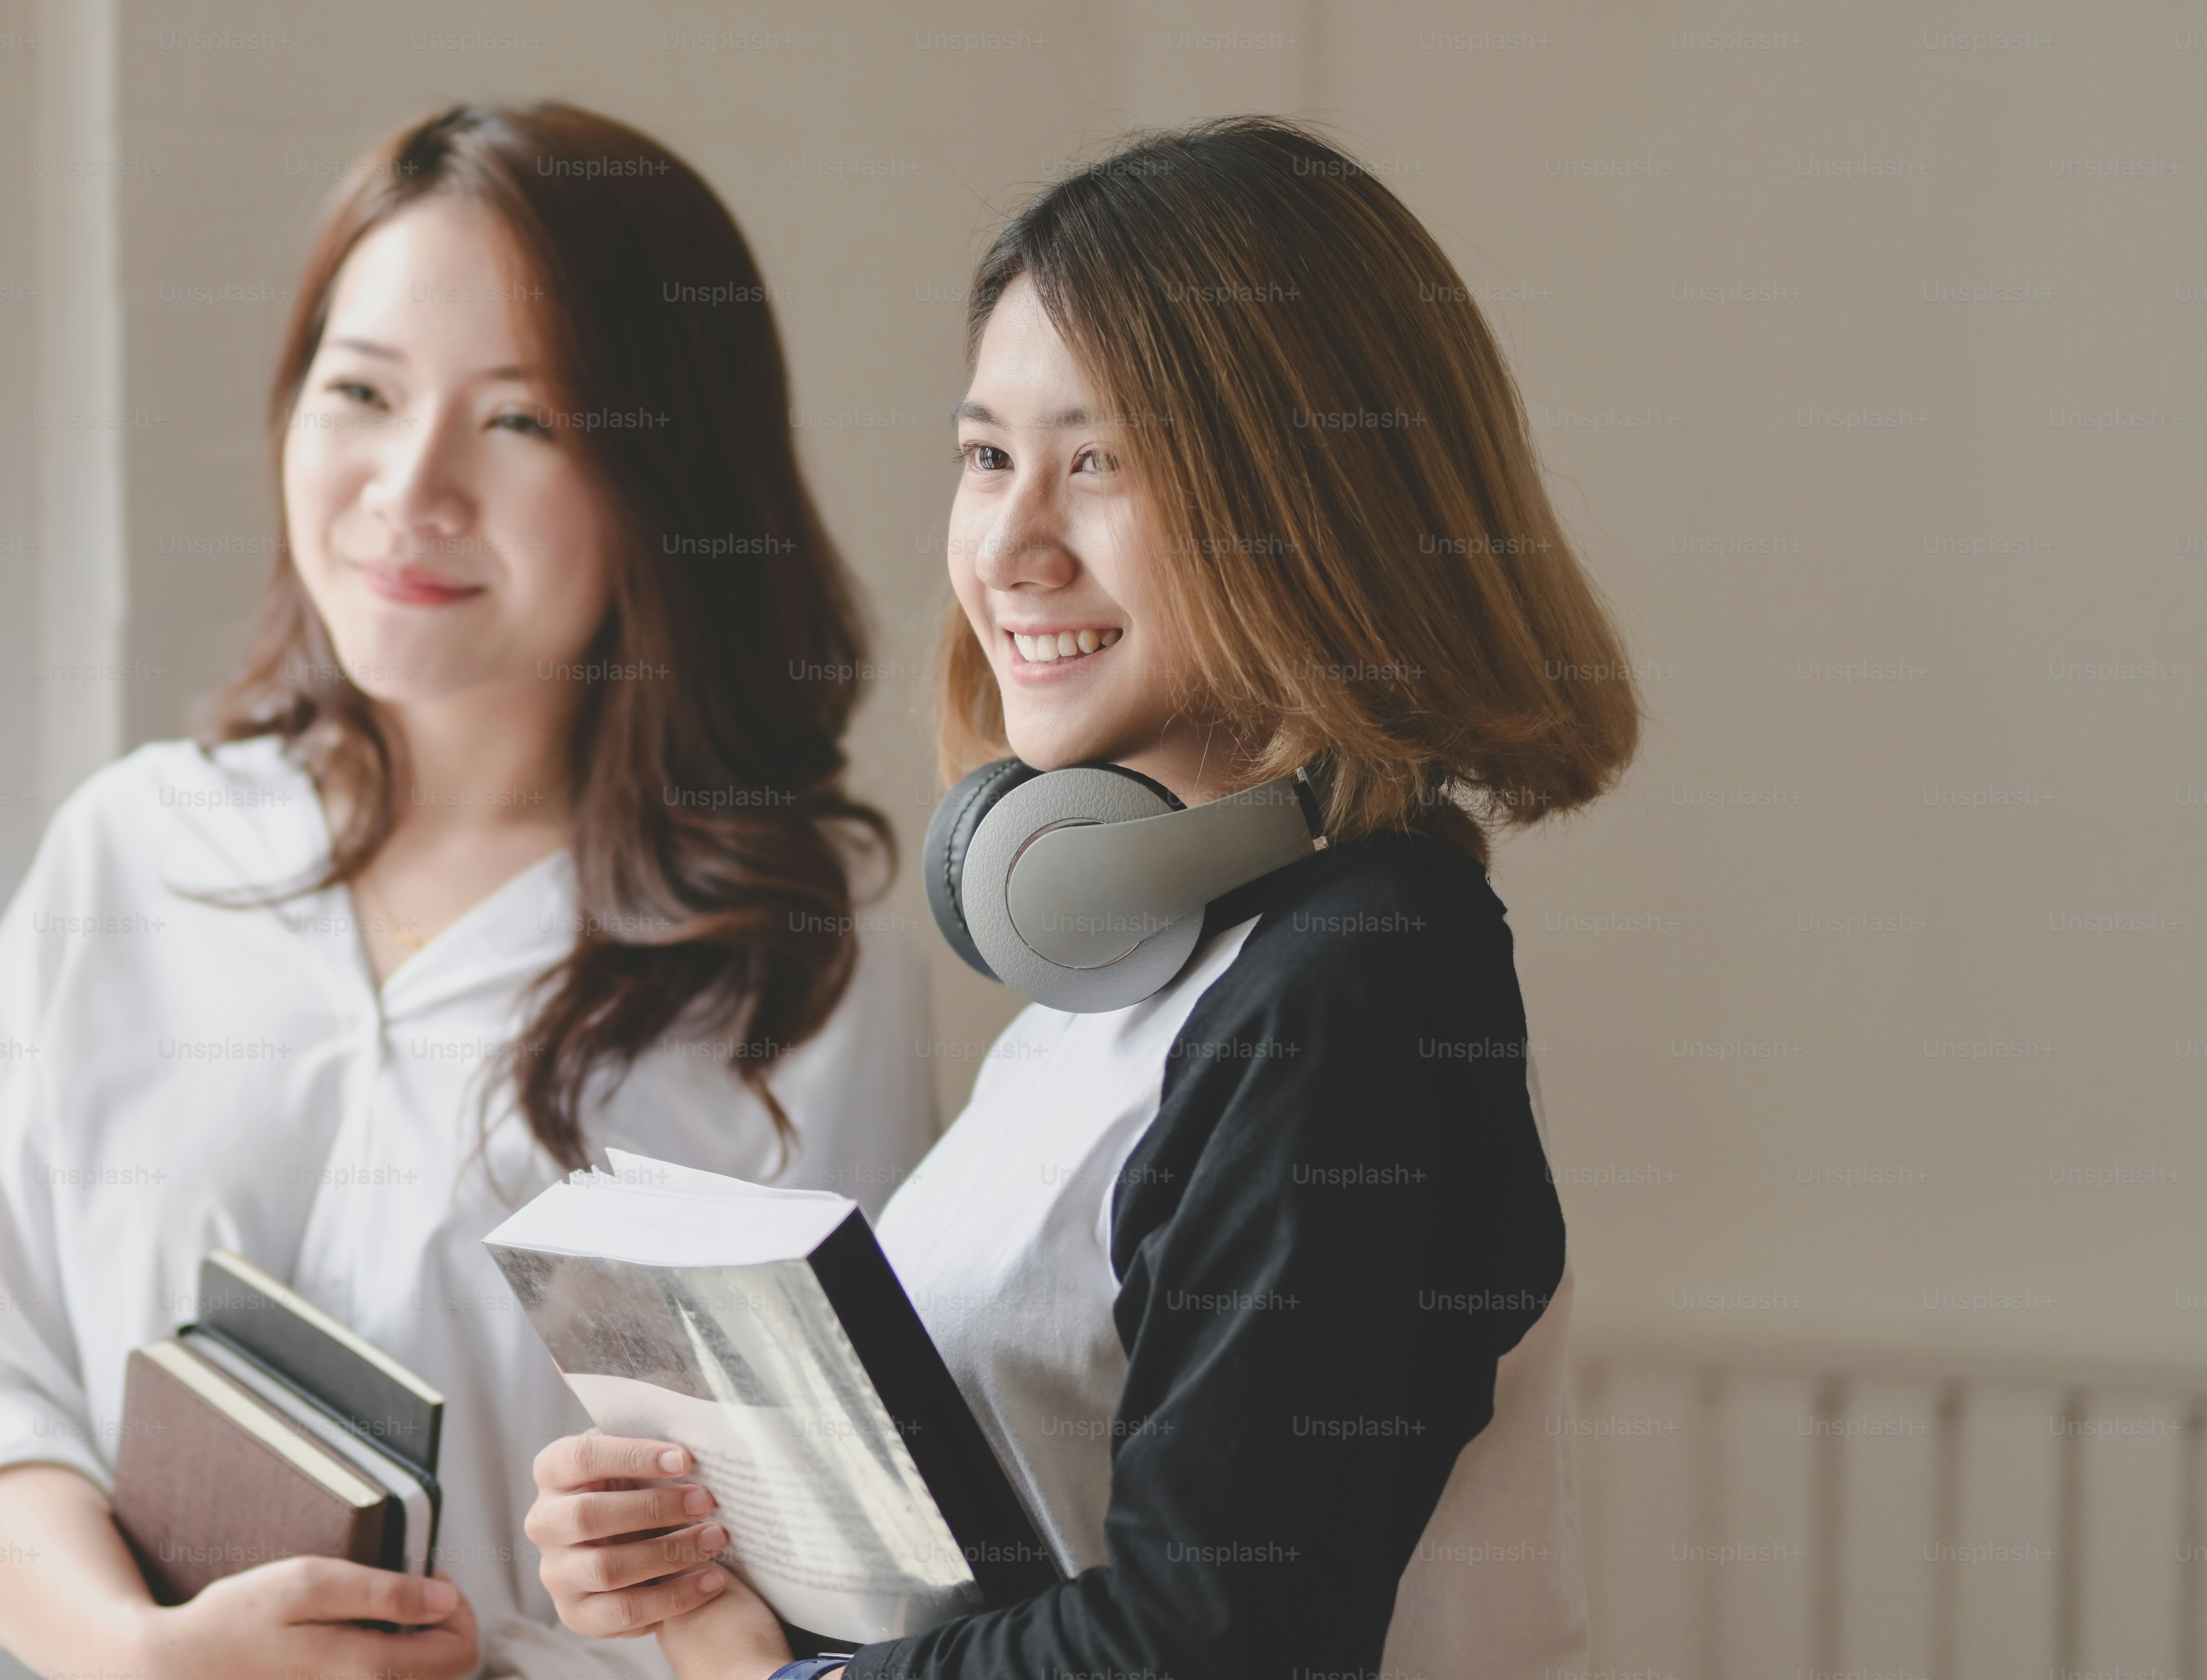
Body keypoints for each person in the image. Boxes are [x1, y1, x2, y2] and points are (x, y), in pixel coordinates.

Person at [523, 117, 1642, 1680]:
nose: (1011, 546)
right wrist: (703, 1561)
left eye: (1102, 460)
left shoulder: (1365, 984)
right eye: (989, 456)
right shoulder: (1130, 968)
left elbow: (1210, 1640)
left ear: (1309, 504)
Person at [0, 103, 935, 1680]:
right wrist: (142, 1653)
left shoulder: (797, 970)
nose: (411, 487)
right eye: (360, 392)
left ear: (664, 475)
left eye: (523, 422)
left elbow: (848, 1600)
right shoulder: (138, 850)